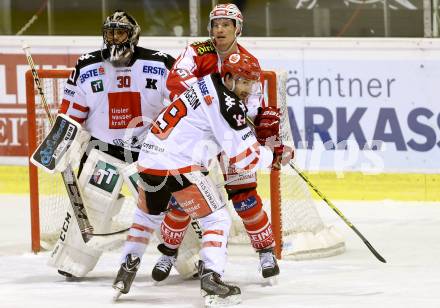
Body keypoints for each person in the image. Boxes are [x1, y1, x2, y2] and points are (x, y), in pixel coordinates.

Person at [112, 53, 288, 305]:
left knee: (145, 217)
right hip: (180, 164)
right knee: (217, 218)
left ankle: (125, 270)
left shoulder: (205, 81)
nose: (248, 89)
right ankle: (211, 280)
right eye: (243, 82)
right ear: (227, 77)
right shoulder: (228, 104)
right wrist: (275, 155)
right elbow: (244, 158)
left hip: (149, 160)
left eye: (251, 83)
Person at [151, 3, 293, 282]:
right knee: (183, 199)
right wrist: (216, 100)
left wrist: (265, 127)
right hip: (198, 135)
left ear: (237, 29)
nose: (220, 30)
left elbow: (253, 105)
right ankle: (168, 252)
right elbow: (176, 79)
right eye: (216, 25)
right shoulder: (197, 50)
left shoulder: (249, 61)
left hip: (229, 134)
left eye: (226, 25)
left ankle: (265, 251)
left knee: (244, 196)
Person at [46, 10, 175, 279]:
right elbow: (71, 112)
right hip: (103, 152)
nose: (114, 38)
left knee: (172, 208)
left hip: (147, 155)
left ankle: (192, 258)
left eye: (121, 32)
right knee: (91, 207)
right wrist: (58, 145)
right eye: (110, 32)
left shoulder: (161, 63)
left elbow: (181, 106)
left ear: (134, 35)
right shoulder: (86, 65)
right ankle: (73, 260)